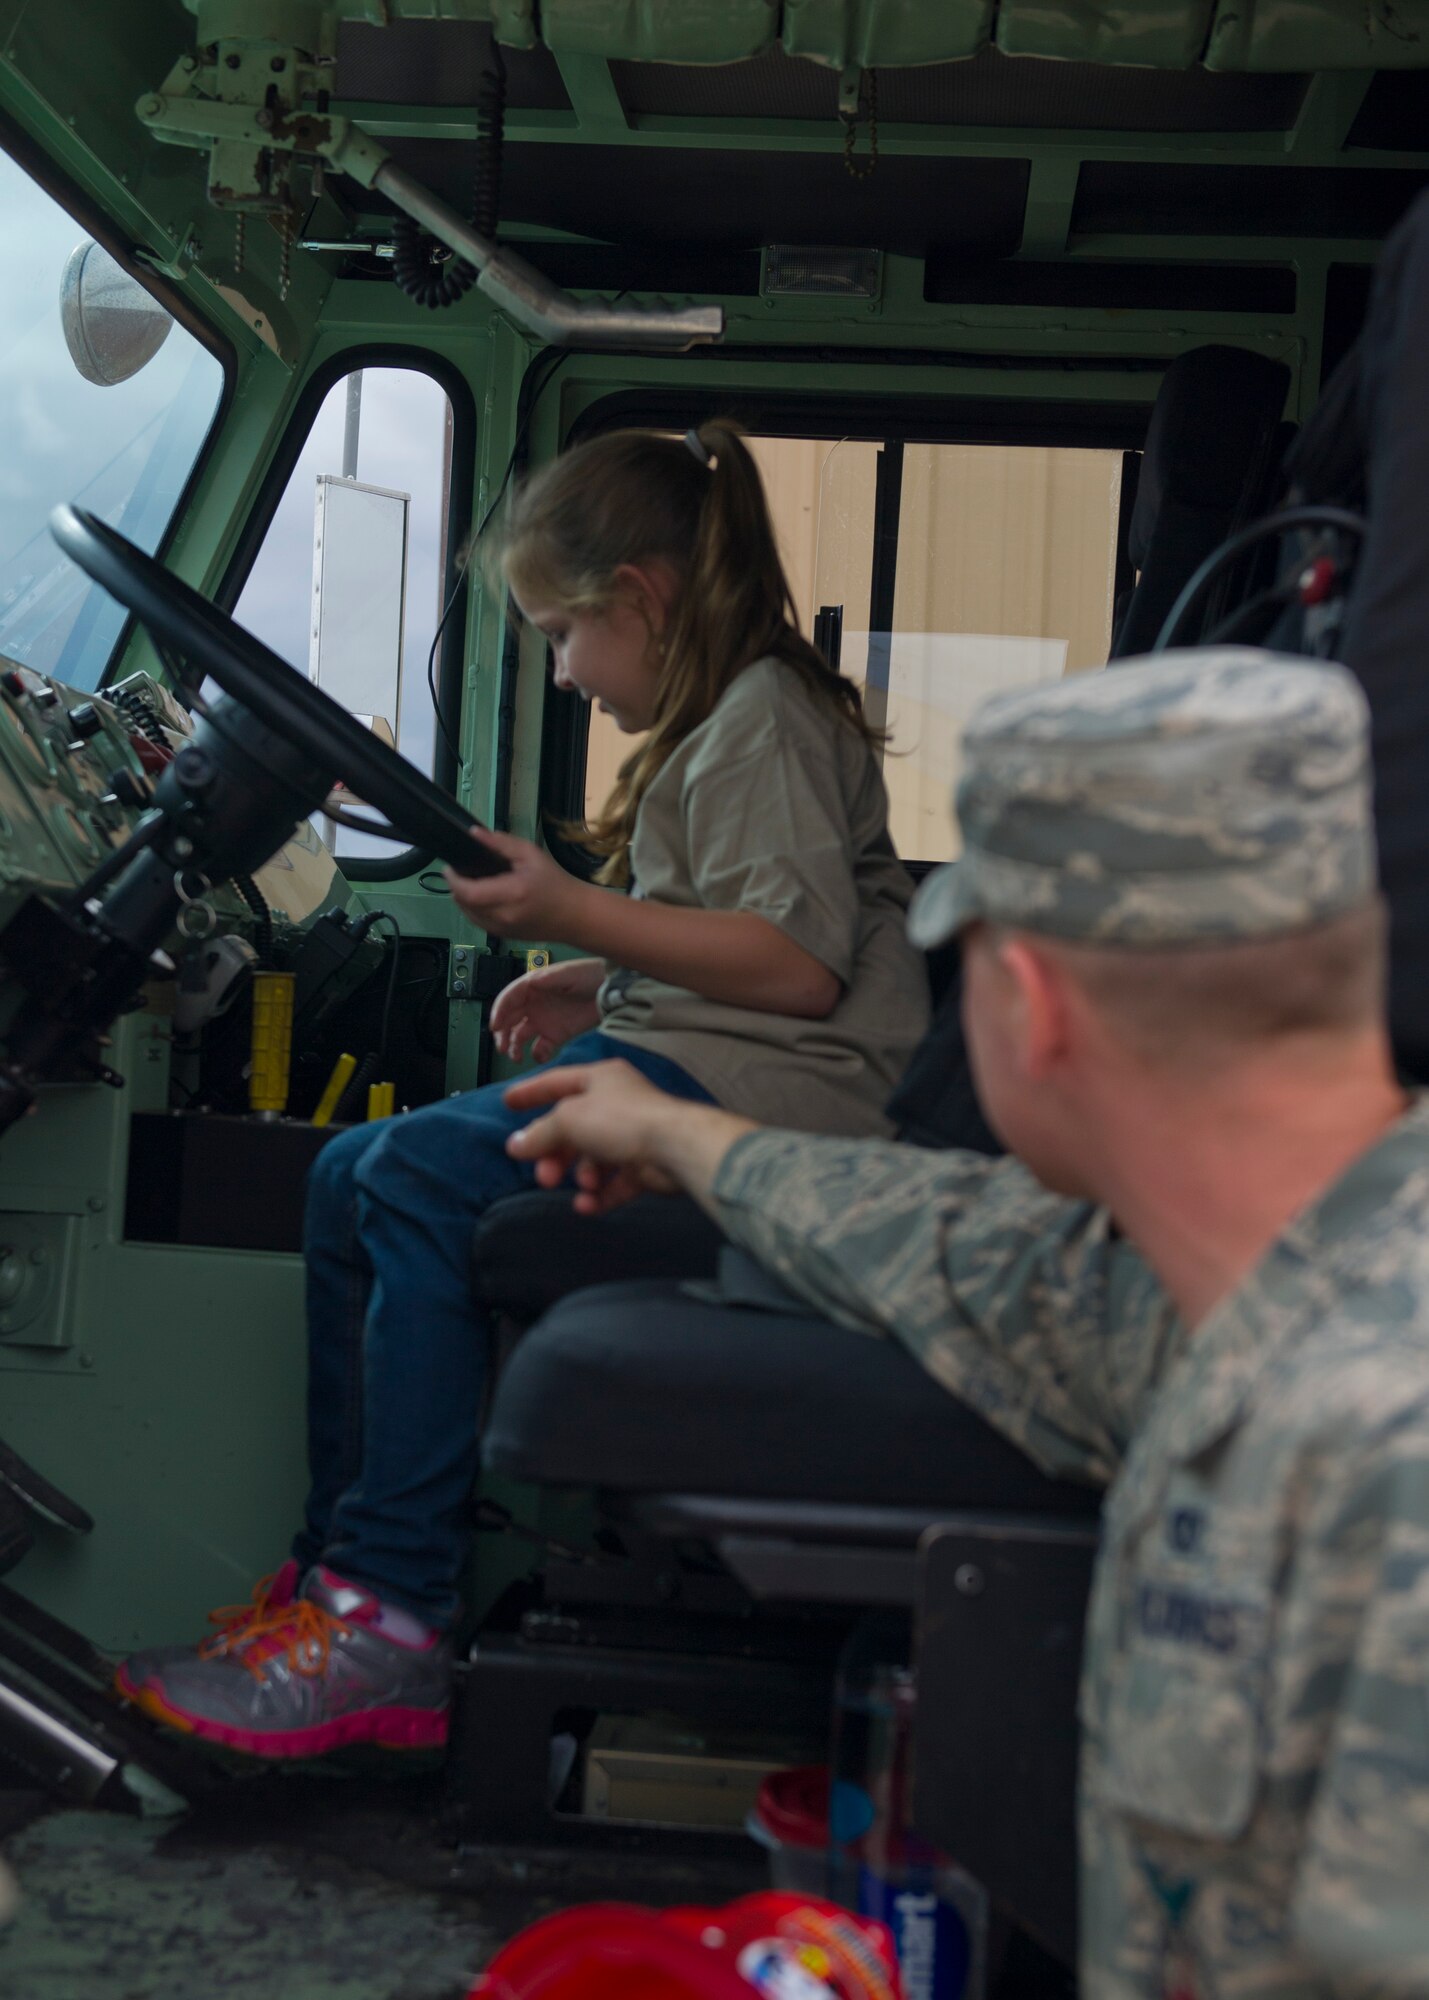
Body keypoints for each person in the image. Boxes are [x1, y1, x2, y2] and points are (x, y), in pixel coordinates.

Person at [503, 650, 1429, 1998]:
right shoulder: (1231, 1284)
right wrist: (680, 1135)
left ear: (1032, 1003)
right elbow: (956, 1245)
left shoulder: (1374, 1445)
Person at [113, 421, 929, 1757]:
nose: (560, 672)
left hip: (780, 1111)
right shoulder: (722, 720)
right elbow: (728, 940)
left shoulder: (763, 720)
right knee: (343, 1170)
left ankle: (393, 1620)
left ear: (641, 601)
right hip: (714, 1061)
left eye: (561, 633)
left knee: (420, 1175)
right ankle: (336, 1588)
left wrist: (576, 914)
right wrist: (588, 978)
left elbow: (794, 974)